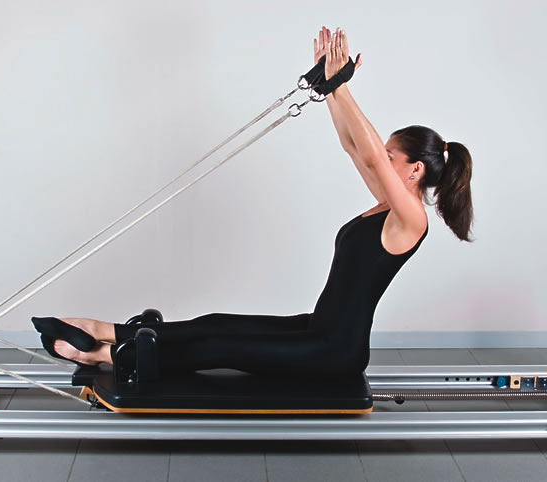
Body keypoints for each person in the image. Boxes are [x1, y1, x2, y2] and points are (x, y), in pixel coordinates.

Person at [31, 27, 473, 377]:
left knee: (221, 346)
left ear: (415, 171)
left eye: (395, 156)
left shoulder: (411, 219)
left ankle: (104, 356)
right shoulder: (386, 205)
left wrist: (345, 86)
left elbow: (372, 153)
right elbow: (355, 149)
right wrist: (330, 88)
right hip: (316, 328)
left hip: (332, 351)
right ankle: (104, 330)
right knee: (217, 322)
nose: (383, 159)